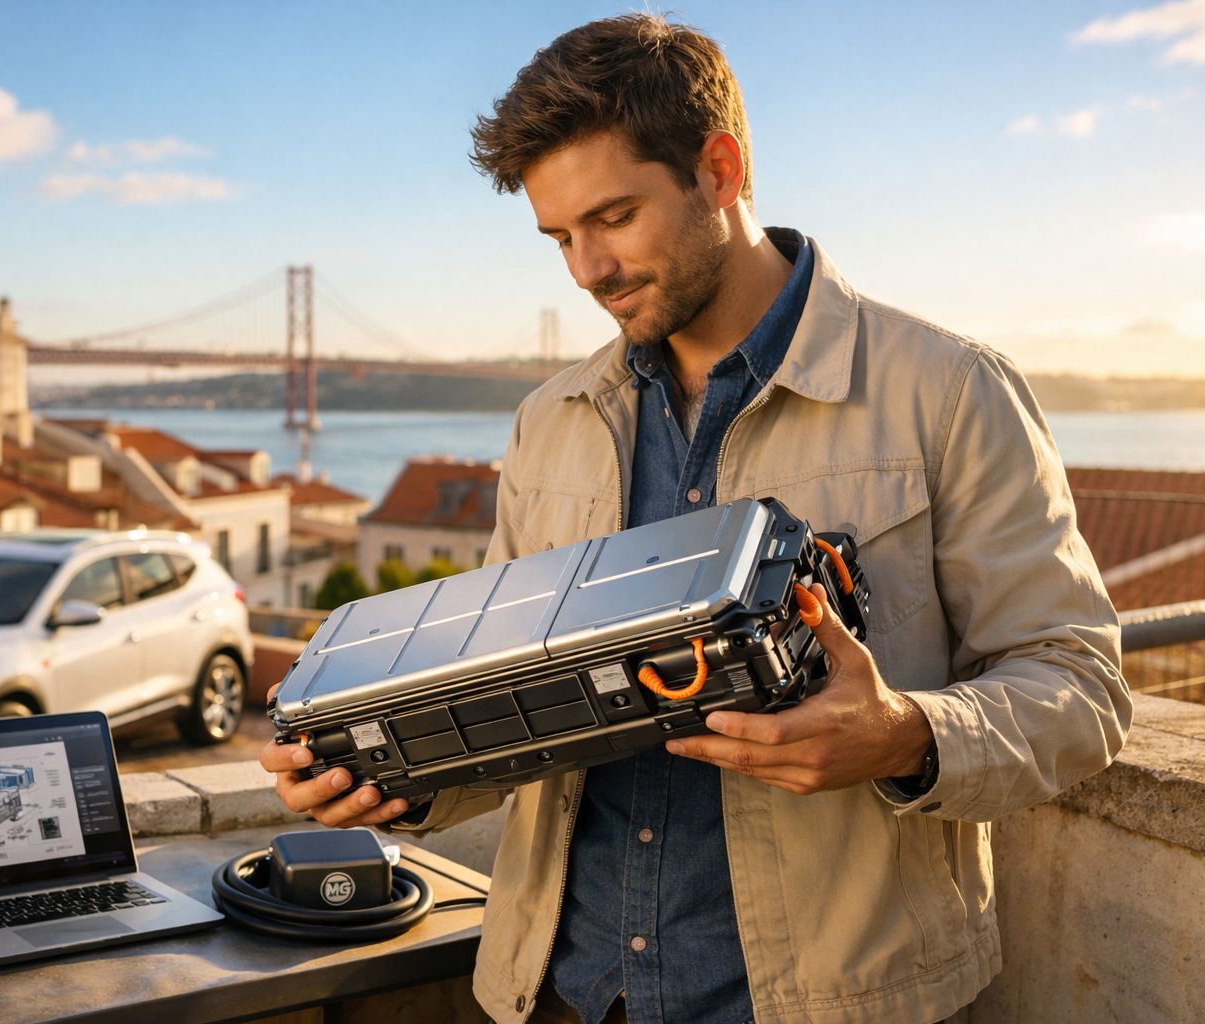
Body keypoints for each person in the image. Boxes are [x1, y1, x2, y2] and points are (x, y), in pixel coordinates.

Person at [260, 14, 1129, 1024]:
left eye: (614, 218)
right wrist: (389, 783)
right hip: (562, 995)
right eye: (560, 238)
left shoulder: (951, 390)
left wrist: (905, 735)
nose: (586, 269)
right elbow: (497, 694)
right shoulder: (550, 422)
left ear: (719, 169)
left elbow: (1081, 685)